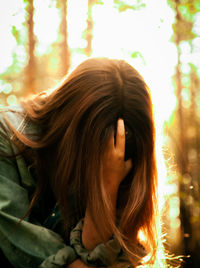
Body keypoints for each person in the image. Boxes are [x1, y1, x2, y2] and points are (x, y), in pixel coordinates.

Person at [0, 58, 165, 268]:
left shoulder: (119, 166)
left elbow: (115, 256)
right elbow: (21, 251)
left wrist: (106, 188)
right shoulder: (5, 135)